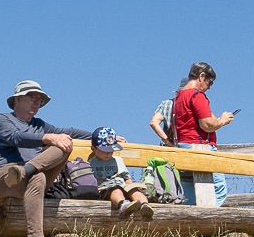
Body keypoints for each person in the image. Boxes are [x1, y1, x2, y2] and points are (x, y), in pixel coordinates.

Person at [0, 80, 94, 237]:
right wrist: (47, 137)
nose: (37, 103)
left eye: (40, 100)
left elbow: (70, 132)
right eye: (32, 98)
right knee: (40, 175)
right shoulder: (2, 119)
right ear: (18, 99)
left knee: (63, 144)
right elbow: (15, 137)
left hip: (28, 174)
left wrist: (100, 136)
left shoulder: (40, 125)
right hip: (3, 178)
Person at [171, 63, 236, 205]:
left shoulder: (178, 98)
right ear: (201, 76)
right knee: (217, 188)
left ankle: (189, 223)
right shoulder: (197, 96)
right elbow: (207, 125)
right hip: (200, 148)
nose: (210, 86)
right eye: (210, 81)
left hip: (182, 147)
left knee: (188, 191)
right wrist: (223, 121)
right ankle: (208, 222)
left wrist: (216, 120)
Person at [89, 128, 155, 220]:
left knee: (134, 191)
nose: (108, 153)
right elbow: (90, 180)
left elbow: (126, 178)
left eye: (111, 150)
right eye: (105, 150)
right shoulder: (92, 163)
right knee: (116, 190)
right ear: (93, 149)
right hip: (106, 188)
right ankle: (123, 205)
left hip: (123, 185)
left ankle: (145, 206)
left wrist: (132, 185)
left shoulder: (118, 160)